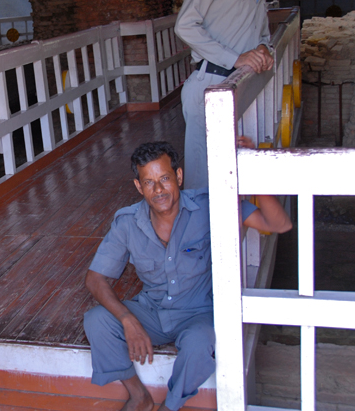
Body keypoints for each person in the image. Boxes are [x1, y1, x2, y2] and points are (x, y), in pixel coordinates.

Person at [83, 141, 291, 411]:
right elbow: (95, 279)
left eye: (165, 178)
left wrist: (252, 170)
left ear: (178, 177)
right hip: (153, 311)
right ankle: (139, 396)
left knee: (200, 342)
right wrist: (127, 320)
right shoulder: (127, 222)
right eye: (149, 182)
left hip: (199, 312)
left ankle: (171, 406)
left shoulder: (210, 206)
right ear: (139, 187)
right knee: (97, 320)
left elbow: (279, 224)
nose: (158, 190)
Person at [175, 0, 275, 189]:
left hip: (238, 86)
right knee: (202, 183)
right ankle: (200, 237)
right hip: (210, 84)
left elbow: (262, 35)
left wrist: (263, 50)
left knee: (231, 175)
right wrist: (236, 58)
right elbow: (185, 25)